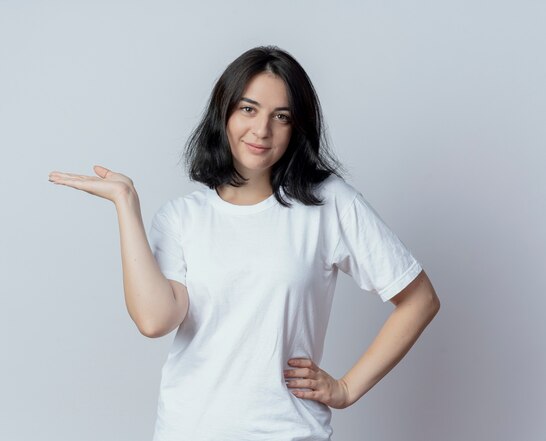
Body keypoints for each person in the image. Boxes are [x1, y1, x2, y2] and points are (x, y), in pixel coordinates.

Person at [48, 45, 440, 441]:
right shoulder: (182, 218)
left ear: (296, 127)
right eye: (248, 109)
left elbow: (420, 299)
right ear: (224, 112)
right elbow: (155, 320)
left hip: (288, 432)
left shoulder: (328, 202)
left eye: (281, 116)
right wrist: (126, 204)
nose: (262, 130)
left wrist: (346, 388)